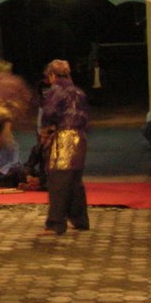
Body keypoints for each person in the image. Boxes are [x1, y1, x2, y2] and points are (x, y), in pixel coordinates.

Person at [39, 59, 90, 236]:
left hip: (65, 137)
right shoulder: (79, 91)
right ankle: (80, 220)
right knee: (75, 181)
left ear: (52, 75)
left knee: (58, 180)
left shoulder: (55, 91)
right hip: (80, 137)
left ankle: (55, 224)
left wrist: (45, 132)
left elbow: (49, 113)